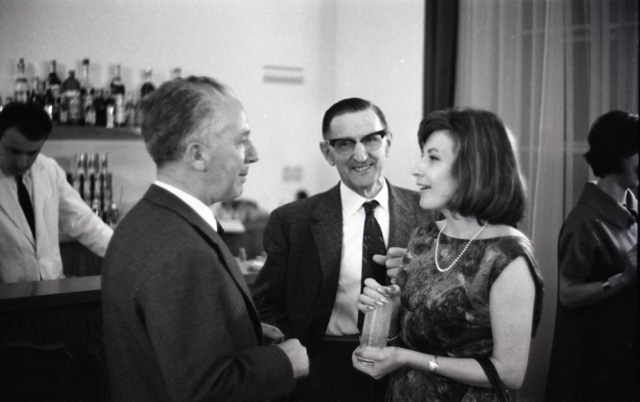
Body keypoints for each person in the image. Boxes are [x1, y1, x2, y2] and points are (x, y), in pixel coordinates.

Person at [101, 76, 309, 401]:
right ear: (197, 155)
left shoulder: (144, 221)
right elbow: (206, 390)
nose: (253, 155)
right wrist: (284, 362)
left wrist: (245, 333)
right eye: (241, 141)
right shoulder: (181, 248)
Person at [352, 108, 544, 402]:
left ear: (473, 168)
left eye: (433, 158)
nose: (416, 168)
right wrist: (388, 311)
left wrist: (407, 358)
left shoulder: (508, 257)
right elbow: (400, 340)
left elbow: (509, 373)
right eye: (423, 155)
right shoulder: (424, 236)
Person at [251, 97, 436, 401]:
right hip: (322, 370)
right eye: (345, 144)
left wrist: (417, 273)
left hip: (408, 367)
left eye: (371, 139)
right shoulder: (292, 221)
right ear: (328, 152)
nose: (360, 155)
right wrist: (294, 355)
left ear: (387, 142)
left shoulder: (429, 213)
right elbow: (266, 303)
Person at [545, 111, 638, 402]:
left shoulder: (633, 208)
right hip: (593, 366)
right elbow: (567, 294)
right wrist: (622, 279)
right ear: (616, 153)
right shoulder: (583, 222)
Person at [0, 102, 112, 283]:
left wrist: (125, 252)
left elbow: (81, 219)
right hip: (8, 296)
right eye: (15, 151)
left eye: (32, 153)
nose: (22, 162)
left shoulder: (48, 169)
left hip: (51, 289)